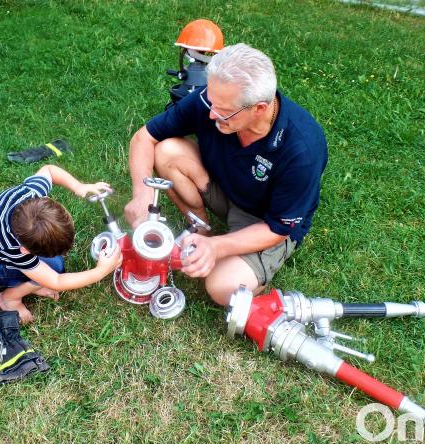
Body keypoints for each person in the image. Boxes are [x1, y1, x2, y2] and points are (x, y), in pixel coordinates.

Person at [124, 43, 328, 306]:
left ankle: (228, 258)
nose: (211, 113)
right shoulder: (213, 101)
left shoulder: (302, 149)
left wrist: (220, 248)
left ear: (260, 109)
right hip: (225, 187)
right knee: (166, 151)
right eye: (211, 100)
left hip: (263, 222)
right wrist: (141, 194)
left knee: (222, 287)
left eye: (223, 111)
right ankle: (202, 234)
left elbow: (278, 228)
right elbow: (144, 138)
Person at [0, 164, 123, 324]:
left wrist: (78, 186)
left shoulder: (32, 194)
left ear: (46, 200)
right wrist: (101, 271)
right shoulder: (12, 246)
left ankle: (31, 284)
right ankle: (9, 299)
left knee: (53, 266)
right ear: (25, 250)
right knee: (55, 268)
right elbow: (56, 281)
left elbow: (49, 170)